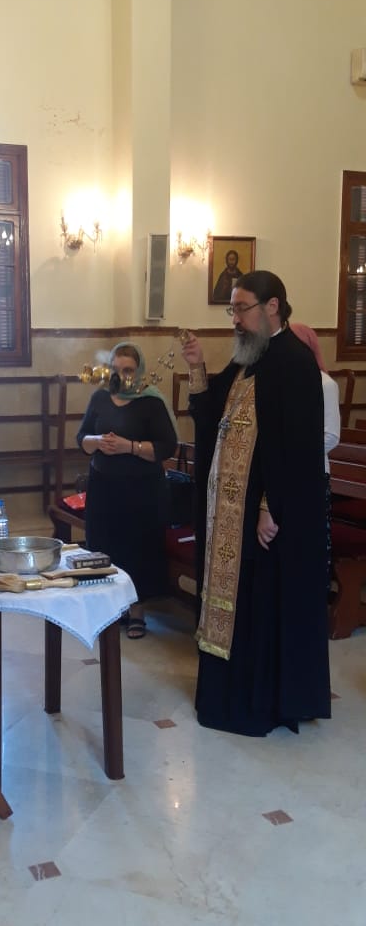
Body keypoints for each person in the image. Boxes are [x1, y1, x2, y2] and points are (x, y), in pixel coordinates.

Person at [181, 270, 331, 735]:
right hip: (230, 513)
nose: (235, 319)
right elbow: (213, 419)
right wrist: (196, 367)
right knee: (236, 601)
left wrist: (270, 506)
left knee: (260, 603)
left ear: (272, 307)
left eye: (241, 309)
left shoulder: (295, 363)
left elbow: (298, 449)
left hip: (263, 517)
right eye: (233, 309)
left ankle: (257, 699)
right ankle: (226, 692)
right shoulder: (249, 359)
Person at [76, 342, 178, 638]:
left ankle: (136, 611)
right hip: (103, 487)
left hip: (141, 490)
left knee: (137, 549)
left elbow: (166, 447)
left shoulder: (150, 401)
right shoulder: (99, 397)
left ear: (139, 371)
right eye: (116, 369)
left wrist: (129, 447)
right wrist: (97, 441)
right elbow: (81, 438)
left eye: (128, 370)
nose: (121, 376)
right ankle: (110, 608)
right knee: (104, 544)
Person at [290, 322, 340, 589]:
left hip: (311, 474)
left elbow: (330, 436)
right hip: (284, 475)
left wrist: (292, 455)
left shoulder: (325, 384)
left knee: (309, 545)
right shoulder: (285, 381)